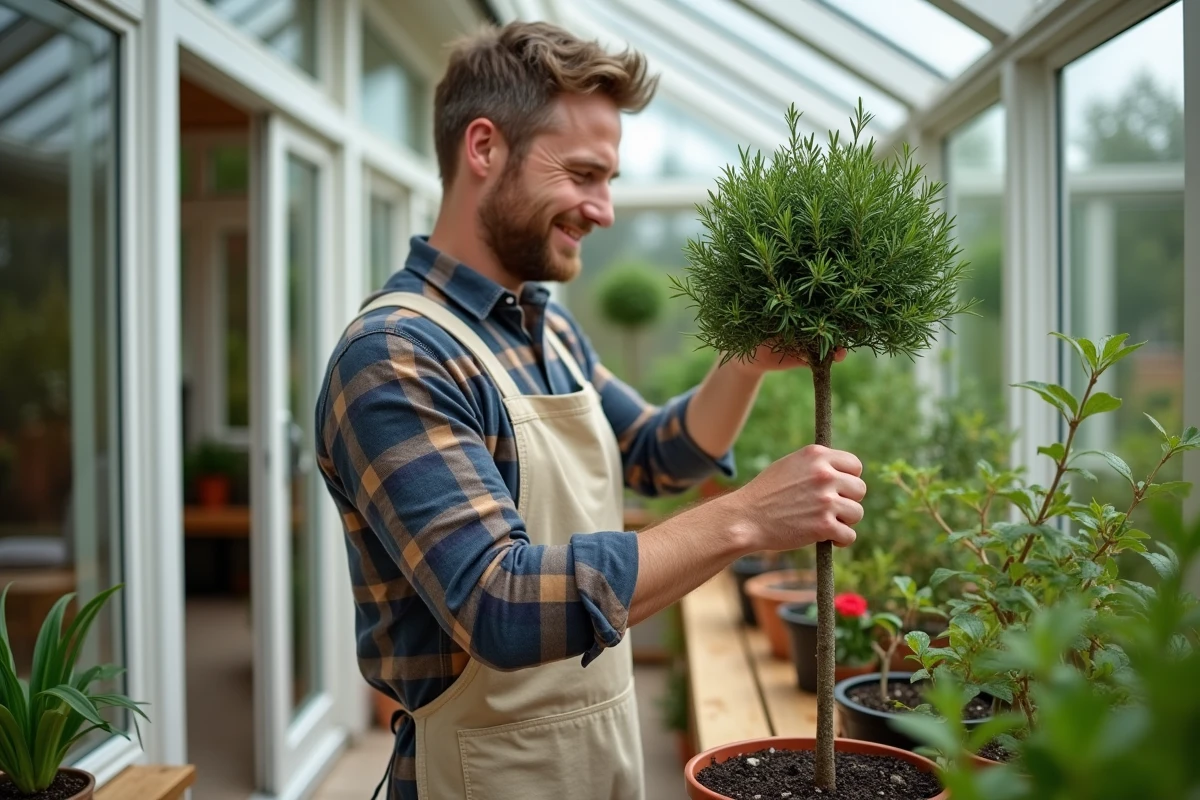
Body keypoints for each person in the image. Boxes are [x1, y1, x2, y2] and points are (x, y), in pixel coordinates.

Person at [314, 20, 865, 800]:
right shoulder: (397, 353)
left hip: (595, 754)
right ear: (484, 148)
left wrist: (745, 361)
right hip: (478, 778)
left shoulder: (546, 325)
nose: (602, 209)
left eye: (607, 180)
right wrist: (746, 519)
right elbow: (499, 602)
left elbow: (655, 451)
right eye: (582, 174)